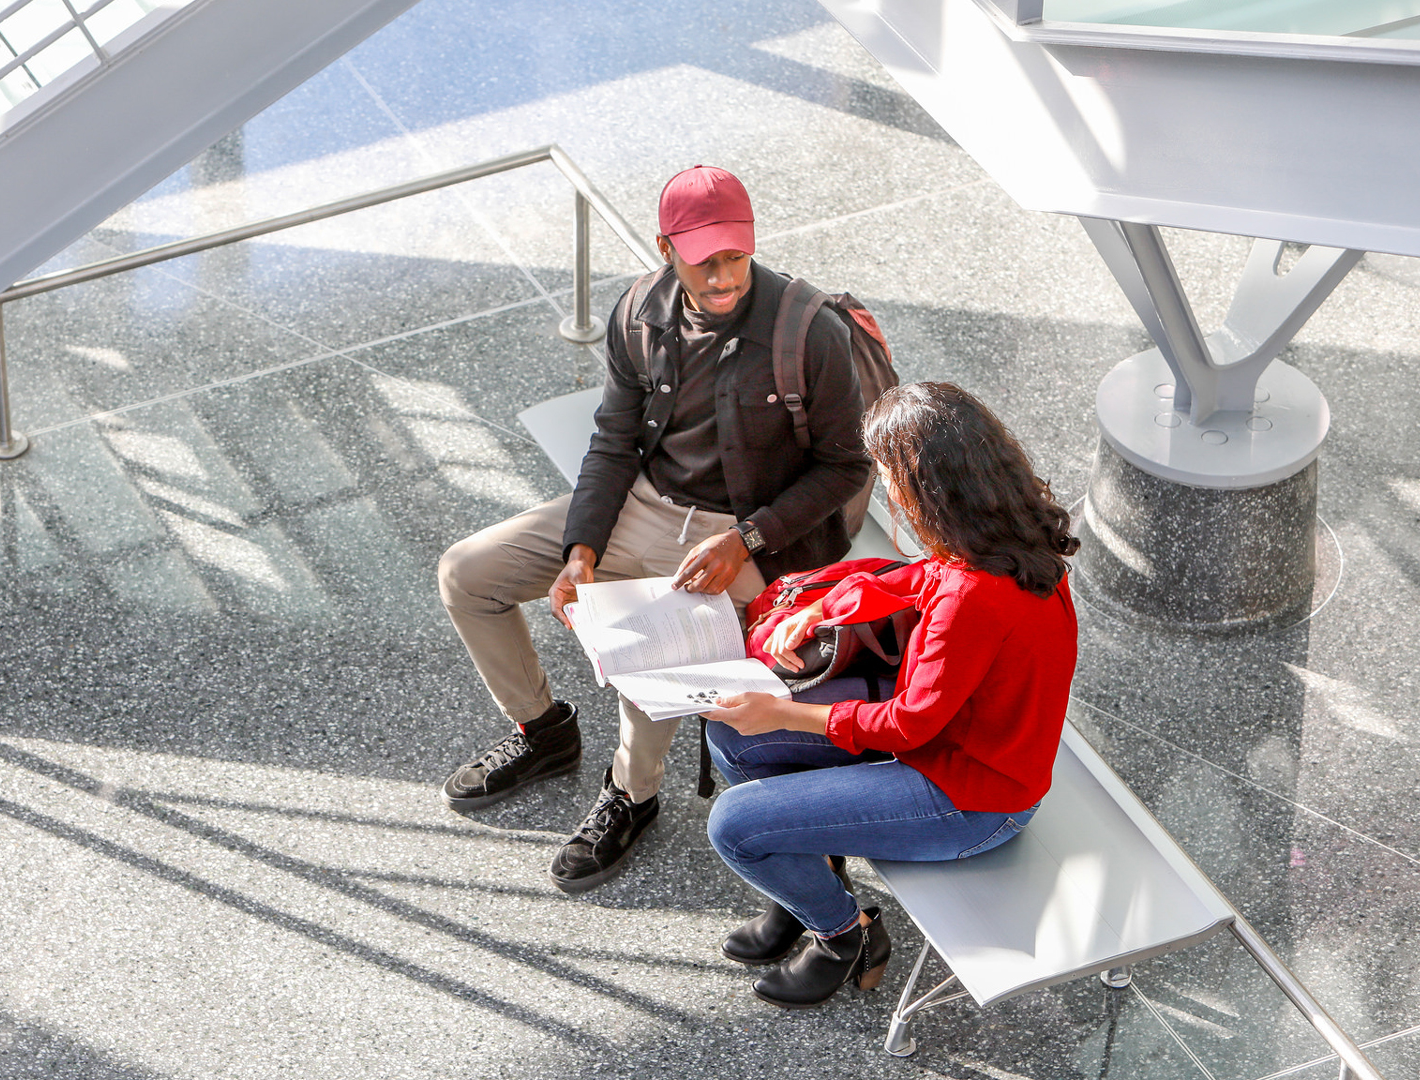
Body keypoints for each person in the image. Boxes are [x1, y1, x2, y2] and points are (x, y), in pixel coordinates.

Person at [436, 165, 871, 893]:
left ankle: (631, 796)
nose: (724, 275)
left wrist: (745, 540)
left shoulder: (808, 332)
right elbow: (613, 441)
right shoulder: (639, 311)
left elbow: (846, 468)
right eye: (705, 260)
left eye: (736, 254)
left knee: (651, 646)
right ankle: (542, 731)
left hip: (749, 532)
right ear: (667, 246)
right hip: (645, 500)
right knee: (466, 574)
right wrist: (580, 552)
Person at [701, 381, 1080, 1008]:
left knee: (733, 825)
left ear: (925, 488)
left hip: (972, 799)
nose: (888, 492)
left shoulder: (973, 598)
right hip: (964, 754)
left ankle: (843, 934)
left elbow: (908, 728)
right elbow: (921, 578)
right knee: (732, 737)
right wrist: (825, 605)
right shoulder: (1008, 540)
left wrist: (782, 711)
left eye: (889, 475)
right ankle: (808, 883)